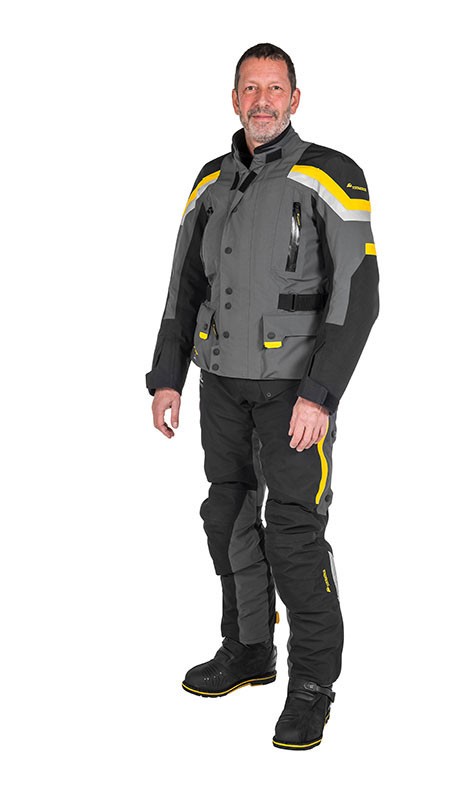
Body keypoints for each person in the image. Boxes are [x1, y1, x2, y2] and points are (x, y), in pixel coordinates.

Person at [146, 42, 379, 750]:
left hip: (294, 393)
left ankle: (311, 686)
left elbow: (359, 295)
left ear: (295, 99)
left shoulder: (332, 174)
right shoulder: (210, 181)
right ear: (234, 99)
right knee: (228, 517)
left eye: (275, 88)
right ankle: (249, 649)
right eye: (250, 88)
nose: (262, 101)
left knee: (294, 534)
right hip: (221, 383)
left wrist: (320, 393)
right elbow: (184, 286)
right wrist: (166, 376)